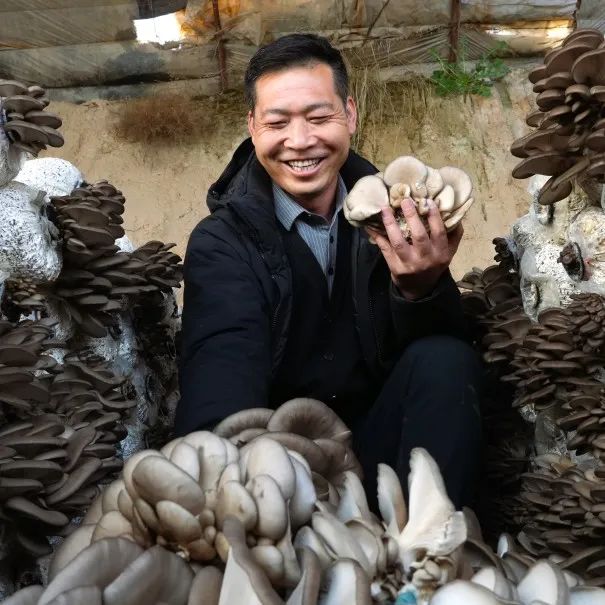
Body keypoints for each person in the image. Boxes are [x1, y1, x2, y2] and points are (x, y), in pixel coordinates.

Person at [175, 33, 482, 508]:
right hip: (282, 473)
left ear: (350, 114)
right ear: (252, 126)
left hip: (381, 448)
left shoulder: (397, 215)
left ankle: (431, 542)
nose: (300, 141)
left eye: (319, 118)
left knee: (446, 358)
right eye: (277, 122)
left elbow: (430, 368)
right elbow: (221, 372)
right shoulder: (223, 242)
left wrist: (421, 290)